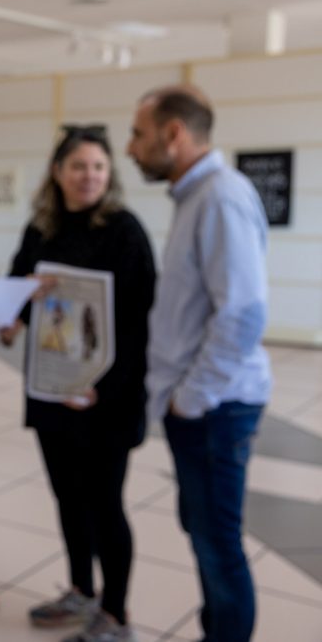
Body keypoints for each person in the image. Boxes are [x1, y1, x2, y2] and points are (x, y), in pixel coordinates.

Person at [1, 124, 156, 642]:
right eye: (78, 166)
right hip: (53, 390)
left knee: (105, 504)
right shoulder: (40, 228)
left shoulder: (125, 231)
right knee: (68, 498)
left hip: (107, 397)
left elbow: (140, 324)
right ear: (57, 171)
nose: (89, 176)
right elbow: (17, 294)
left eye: (98, 167)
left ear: (110, 173)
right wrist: (20, 300)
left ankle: (115, 614)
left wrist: (101, 390)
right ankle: (80, 590)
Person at [127, 85, 270, 642]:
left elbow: (242, 315)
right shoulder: (197, 197)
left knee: (217, 544)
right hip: (200, 406)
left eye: (138, 134)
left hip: (214, 408)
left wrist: (190, 399)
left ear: (174, 134)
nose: (131, 148)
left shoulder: (220, 197)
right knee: (204, 532)